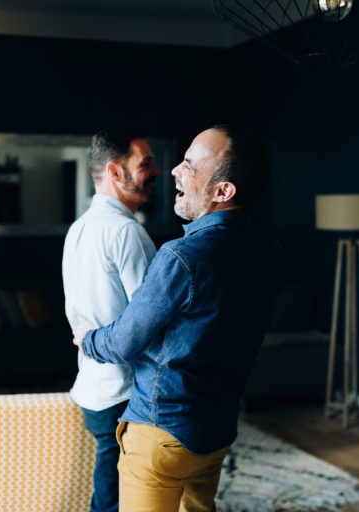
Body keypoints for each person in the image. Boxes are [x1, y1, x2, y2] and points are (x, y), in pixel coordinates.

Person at [74, 124, 281, 512]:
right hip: (216, 431)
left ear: (223, 191)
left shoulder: (180, 258)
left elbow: (123, 342)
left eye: (188, 165)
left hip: (162, 431)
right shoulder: (268, 248)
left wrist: (89, 339)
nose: (173, 172)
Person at [62, 127, 161, 512]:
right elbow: (151, 320)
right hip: (124, 395)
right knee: (120, 503)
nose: (155, 172)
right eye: (146, 164)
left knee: (113, 497)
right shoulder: (126, 233)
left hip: (94, 386)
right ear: (116, 173)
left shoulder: (79, 229)